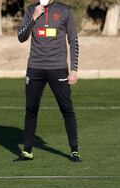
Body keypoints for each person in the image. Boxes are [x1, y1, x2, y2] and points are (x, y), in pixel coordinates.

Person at [17, 0, 81, 162]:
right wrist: (34, 17)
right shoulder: (32, 9)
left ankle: (74, 151)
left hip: (58, 68)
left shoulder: (65, 10)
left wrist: (74, 70)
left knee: (67, 109)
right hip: (35, 68)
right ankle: (27, 151)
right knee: (31, 110)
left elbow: (73, 40)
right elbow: (21, 37)